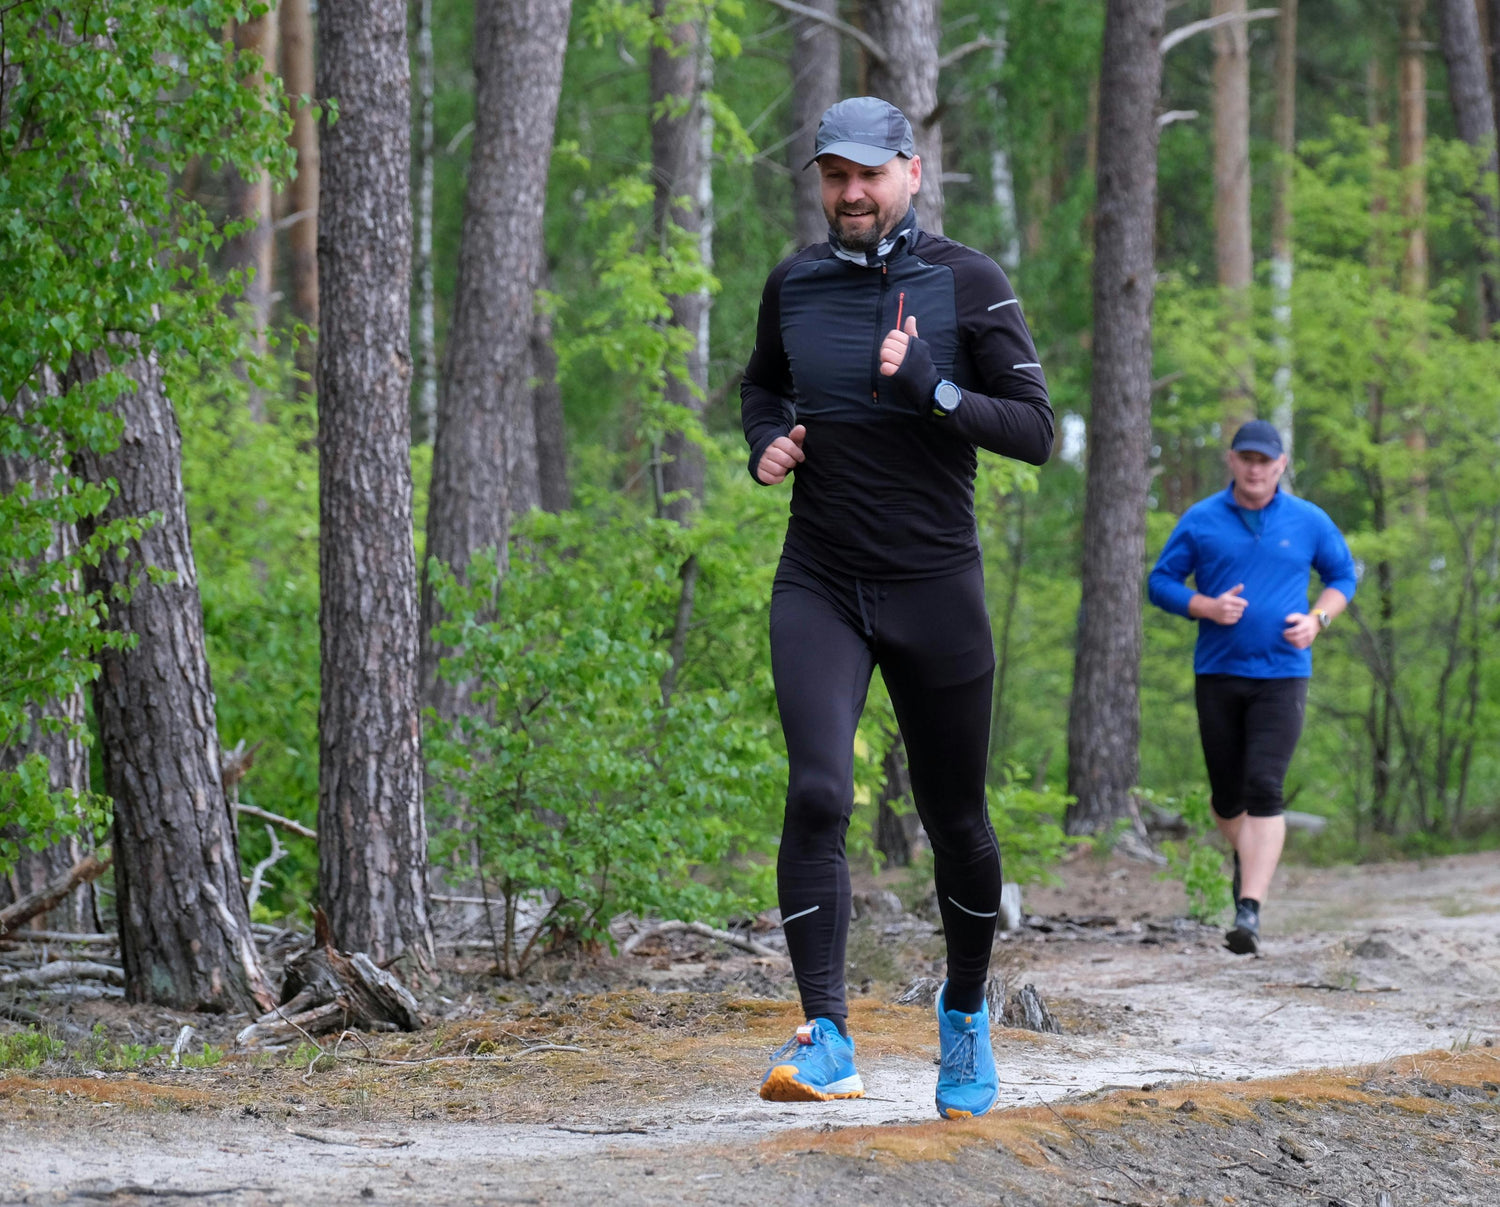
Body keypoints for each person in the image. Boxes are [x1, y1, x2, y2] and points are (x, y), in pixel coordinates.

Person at [740, 96, 1054, 1119]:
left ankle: (964, 1013)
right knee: (820, 790)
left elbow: (1037, 430)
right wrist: (769, 441)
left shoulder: (969, 282)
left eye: (869, 173)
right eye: (834, 174)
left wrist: (936, 390)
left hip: (935, 587)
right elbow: (760, 388)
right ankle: (827, 1033)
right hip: (821, 579)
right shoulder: (793, 283)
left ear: (911, 172)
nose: (851, 192)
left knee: (954, 816)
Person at [1147, 420, 1356, 955]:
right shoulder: (1202, 520)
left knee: (1265, 786)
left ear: (1281, 464)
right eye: (1247, 458)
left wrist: (1318, 622)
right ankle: (1253, 858)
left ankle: (1250, 910)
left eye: (1266, 460)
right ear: (1232, 461)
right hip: (1218, 672)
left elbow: (1342, 577)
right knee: (1227, 796)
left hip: (1283, 674)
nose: (1256, 468)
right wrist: (1206, 606)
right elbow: (1161, 582)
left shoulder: (1308, 520)